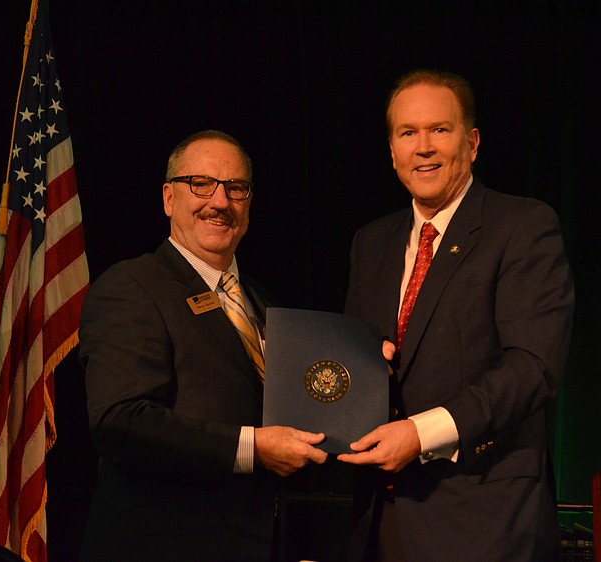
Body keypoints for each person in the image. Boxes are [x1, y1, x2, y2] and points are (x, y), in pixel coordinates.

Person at [338, 70, 575, 561]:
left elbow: (533, 367)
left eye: (439, 130)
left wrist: (422, 434)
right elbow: (357, 357)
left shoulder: (523, 225)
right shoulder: (372, 241)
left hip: (485, 519)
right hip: (381, 518)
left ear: (471, 143)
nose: (422, 147)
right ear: (392, 150)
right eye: (408, 133)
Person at [79, 130, 328, 562]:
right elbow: (121, 423)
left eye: (236, 188)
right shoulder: (131, 286)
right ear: (168, 198)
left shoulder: (263, 302)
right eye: (201, 184)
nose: (219, 201)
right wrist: (253, 448)